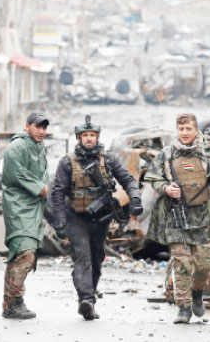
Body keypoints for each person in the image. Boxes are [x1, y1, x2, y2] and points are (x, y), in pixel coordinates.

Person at [50, 115, 143, 320]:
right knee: (82, 257)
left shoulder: (108, 159)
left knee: (97, 258)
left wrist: (135, 198)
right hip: (76, 218)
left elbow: (127, 180)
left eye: (92, 135)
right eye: (85, 135)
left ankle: (88, 294)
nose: (89, 139)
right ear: (79, 138)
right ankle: (86, 299)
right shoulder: (67, 162)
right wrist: (60, 222)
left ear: (97, 137)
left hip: (100, 219)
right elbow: (57, 192)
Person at [144, 113, 210, 324]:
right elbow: (153, 178)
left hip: (202, 216)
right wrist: (165, 188)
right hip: (176, 216)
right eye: (181, 129)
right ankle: (183, 307)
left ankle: (197, 292)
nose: (184, 133)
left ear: (196, 130)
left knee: (203, 264)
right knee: (182, 263)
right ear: (177, 131)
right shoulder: (166, 154)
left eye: (188, 129)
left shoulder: (209, 154)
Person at [0, 111, 50, 319]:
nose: (41, 131)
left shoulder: (39, 148)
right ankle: (14, 302)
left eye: (44, 128)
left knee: (21, 255)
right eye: (38, 127)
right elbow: (16, 174)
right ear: (27, 125)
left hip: (34, 208)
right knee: (25, 253)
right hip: (19, 206)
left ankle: (10, 302)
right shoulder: (16, 147)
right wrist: (40, 188)